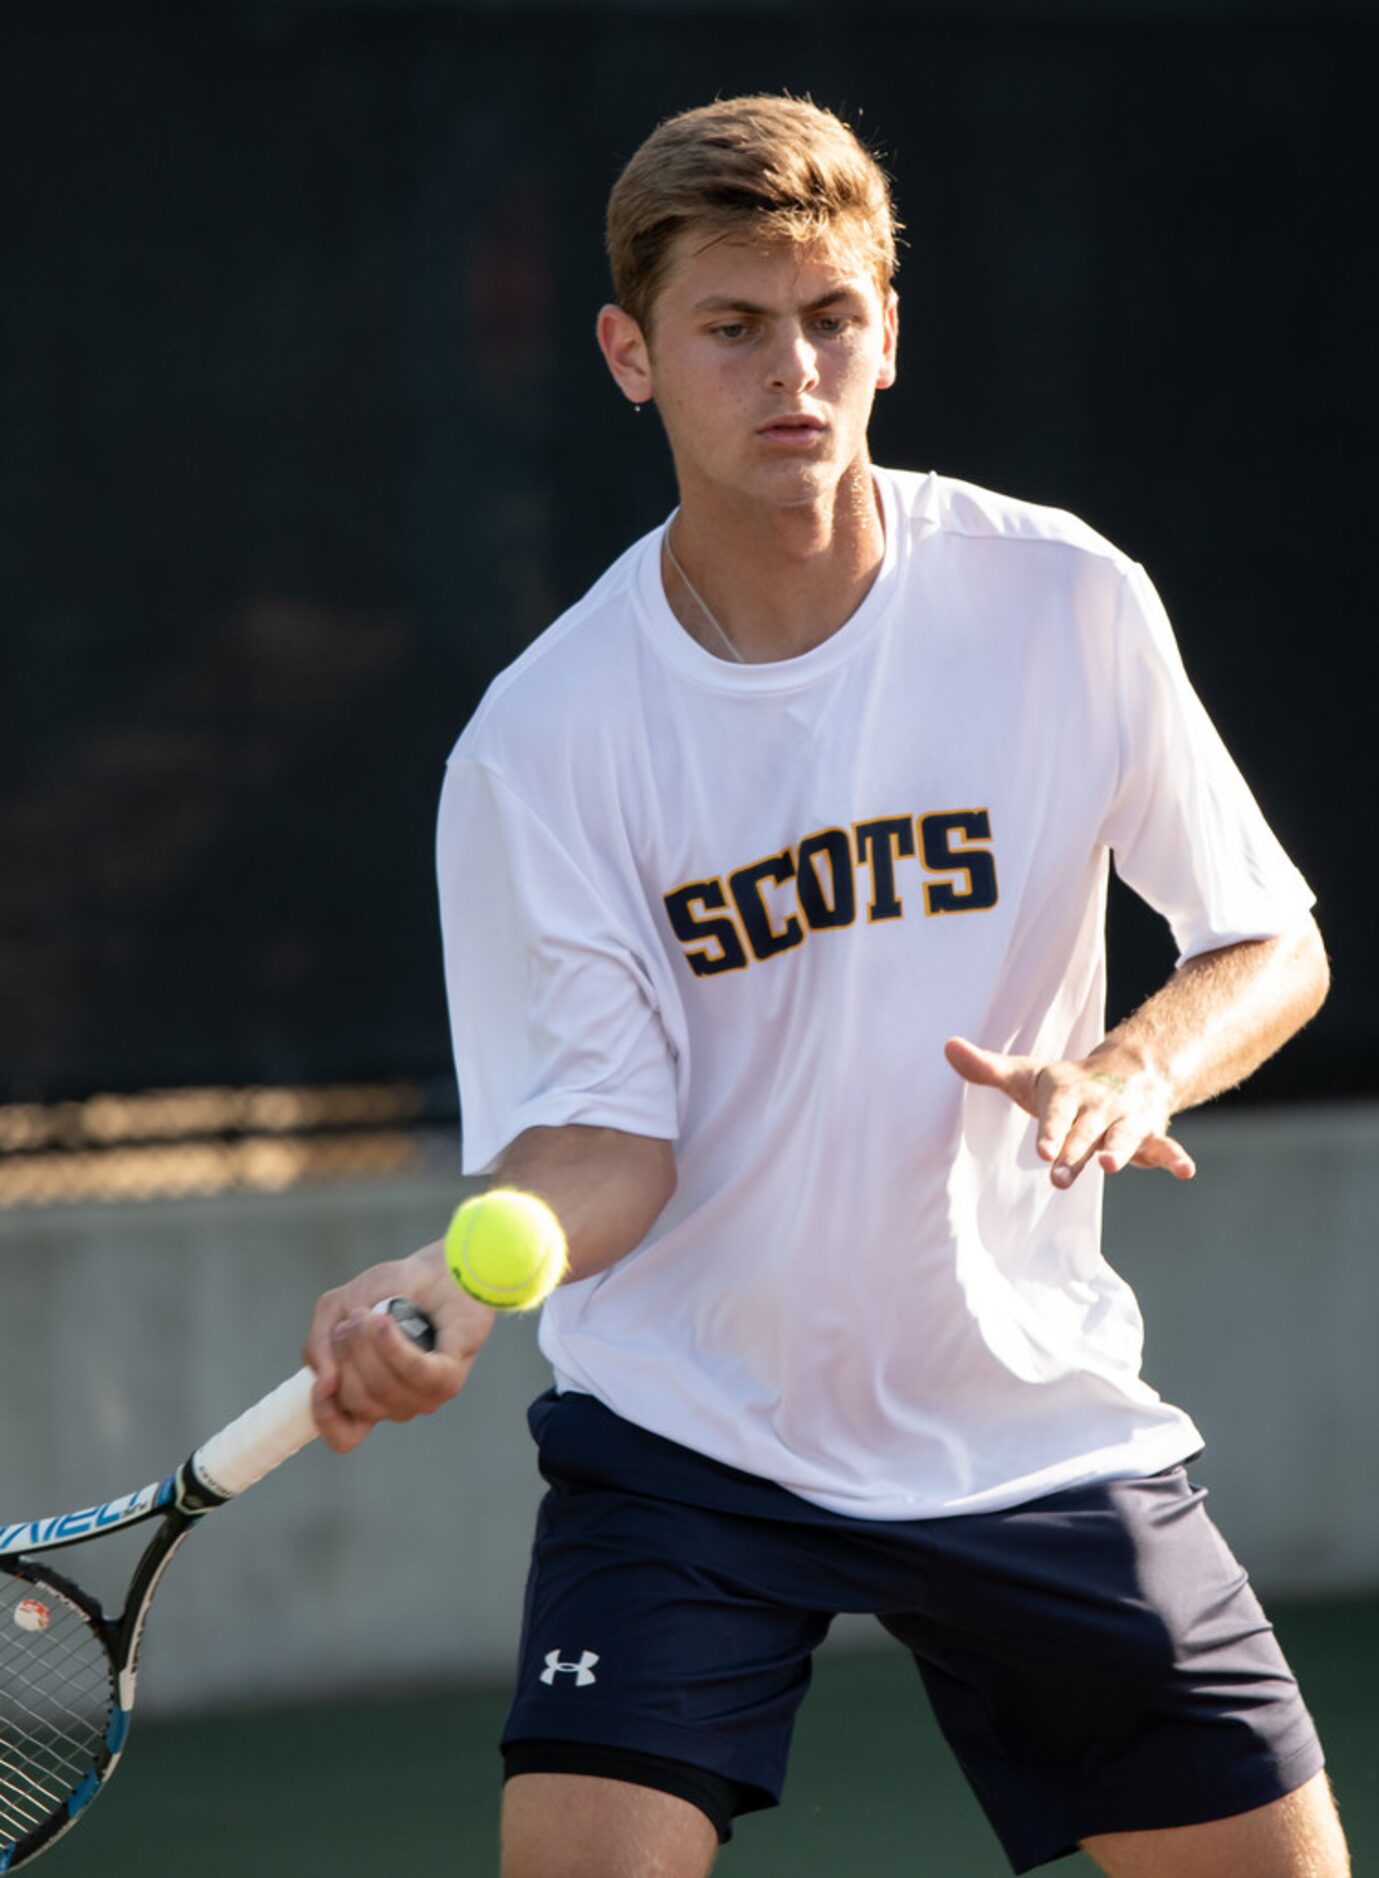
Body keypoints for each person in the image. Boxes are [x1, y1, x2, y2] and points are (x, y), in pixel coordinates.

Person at [303, 96, 1345, 1877]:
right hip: (695, 1440)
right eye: (732, 327)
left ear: (887, 334)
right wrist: (460, 1267)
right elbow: (608, 1143)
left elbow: (1271, 939)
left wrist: (1137, 1065)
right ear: (633, 355)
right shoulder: (544, 744)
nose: (793, 369)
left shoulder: (1060, 599)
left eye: (830, 318)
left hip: (1027, 1417)